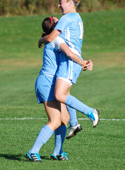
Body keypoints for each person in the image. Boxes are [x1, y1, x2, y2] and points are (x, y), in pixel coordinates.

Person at [26, 16, 93, 162]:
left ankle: (57, 151)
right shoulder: (57, 39)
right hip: (47, 82)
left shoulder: (51, 38)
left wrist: (41, 39)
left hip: (50, 82)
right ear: (55, 26)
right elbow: (69, 53)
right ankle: (33, 151)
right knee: (55, 120)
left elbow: (47, 40)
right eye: (58, 22)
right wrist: (83, 63)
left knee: (64, 119)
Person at [38, 0, 100, 134]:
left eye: (60, 2)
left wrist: (41, 39)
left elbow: (50, 38)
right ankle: (74, 123)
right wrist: (82, 62)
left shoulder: (67, 18)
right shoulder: (76, 17)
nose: (58, 6)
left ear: (69, 3)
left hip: (70, 61)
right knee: (64, 95)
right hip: (71, 60)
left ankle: (91, 112)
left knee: (59, 95)